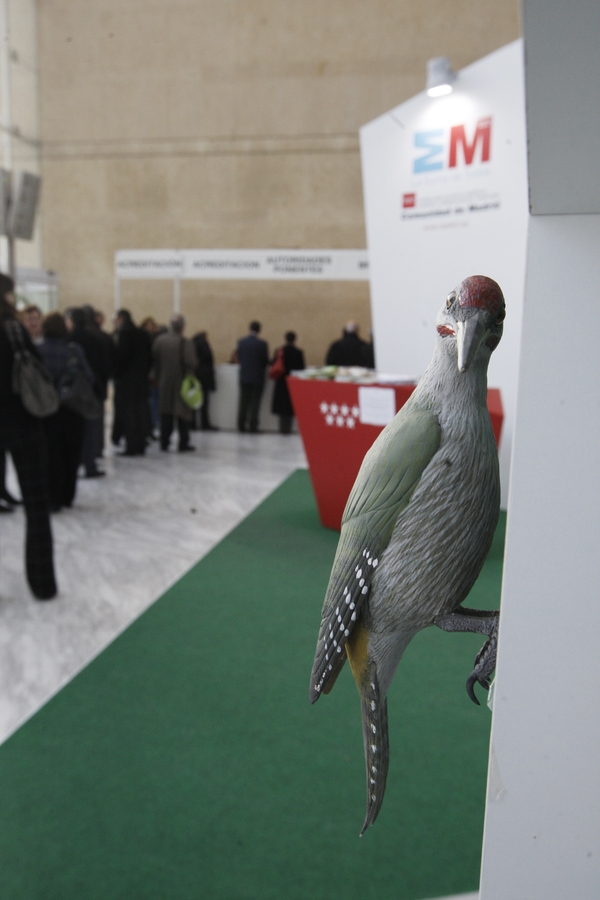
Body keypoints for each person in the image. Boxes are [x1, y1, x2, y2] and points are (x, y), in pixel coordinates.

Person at [0, 273, 57, 599]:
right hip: (23, 423)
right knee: (36, 508)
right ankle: (42, 583)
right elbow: (38, 370)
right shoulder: (13, 329)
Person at [38, 313, 90, 511]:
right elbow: (88, 376)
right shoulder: (74, 350)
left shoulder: (38, 349)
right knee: (72, 453)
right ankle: (68, 496)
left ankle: (53, 497)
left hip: (46, 408)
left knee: (51, 453)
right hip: (73, 408)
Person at [66, 306, 110, 477]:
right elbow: (104, 365)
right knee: (92, 427)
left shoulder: (68, 339)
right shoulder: (98, 338)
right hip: (93, 389)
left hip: (71, 392)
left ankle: (75, 463)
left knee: (74, 428)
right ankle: (91, 461)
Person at [152, 314, 197, 452]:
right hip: (181, 382)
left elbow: (154, 360)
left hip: (164, 381)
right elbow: (192, 362)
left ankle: (164, 442)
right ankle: (183, 443)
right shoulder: (185, 342)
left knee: (165, 413)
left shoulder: (159, 340)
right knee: (182, 414)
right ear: (183, 327)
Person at [112, 309, 153, 456]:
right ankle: (141, 445)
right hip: (142, 381)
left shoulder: (124, 334)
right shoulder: (143, 334)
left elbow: (121, 358)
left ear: (121, 319)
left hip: (127, 382)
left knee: (129, 415)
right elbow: (150, 358)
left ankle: (131, 446)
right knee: (141, 414)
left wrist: (116, 374)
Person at [236, 320, 269, 433]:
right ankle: (253, 426)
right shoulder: (262, 344)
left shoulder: (241, 342)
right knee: (255, 403)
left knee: (243, 402)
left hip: (244, 376)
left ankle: (241, 425)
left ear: (249, 329)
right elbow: (265, 361)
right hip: (257, 377)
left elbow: (239, 357)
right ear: (259, 330)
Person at [270, 331, 305, 434]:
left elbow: (273, 363)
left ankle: (281, 428)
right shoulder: (298, 352)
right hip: (292, 382)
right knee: (289, 407)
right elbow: (301, 368)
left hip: (281, 381)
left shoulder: (279, 351)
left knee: (281, 407)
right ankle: (288, 428)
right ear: (295, 340)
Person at [192, 330, 217, 431]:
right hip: (204, 377)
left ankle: (192, 423)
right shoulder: (204, 345)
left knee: (193, 401)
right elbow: (208, 357)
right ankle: (204, 423)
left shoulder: (192, 344)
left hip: (194, 376)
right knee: (204, 402)